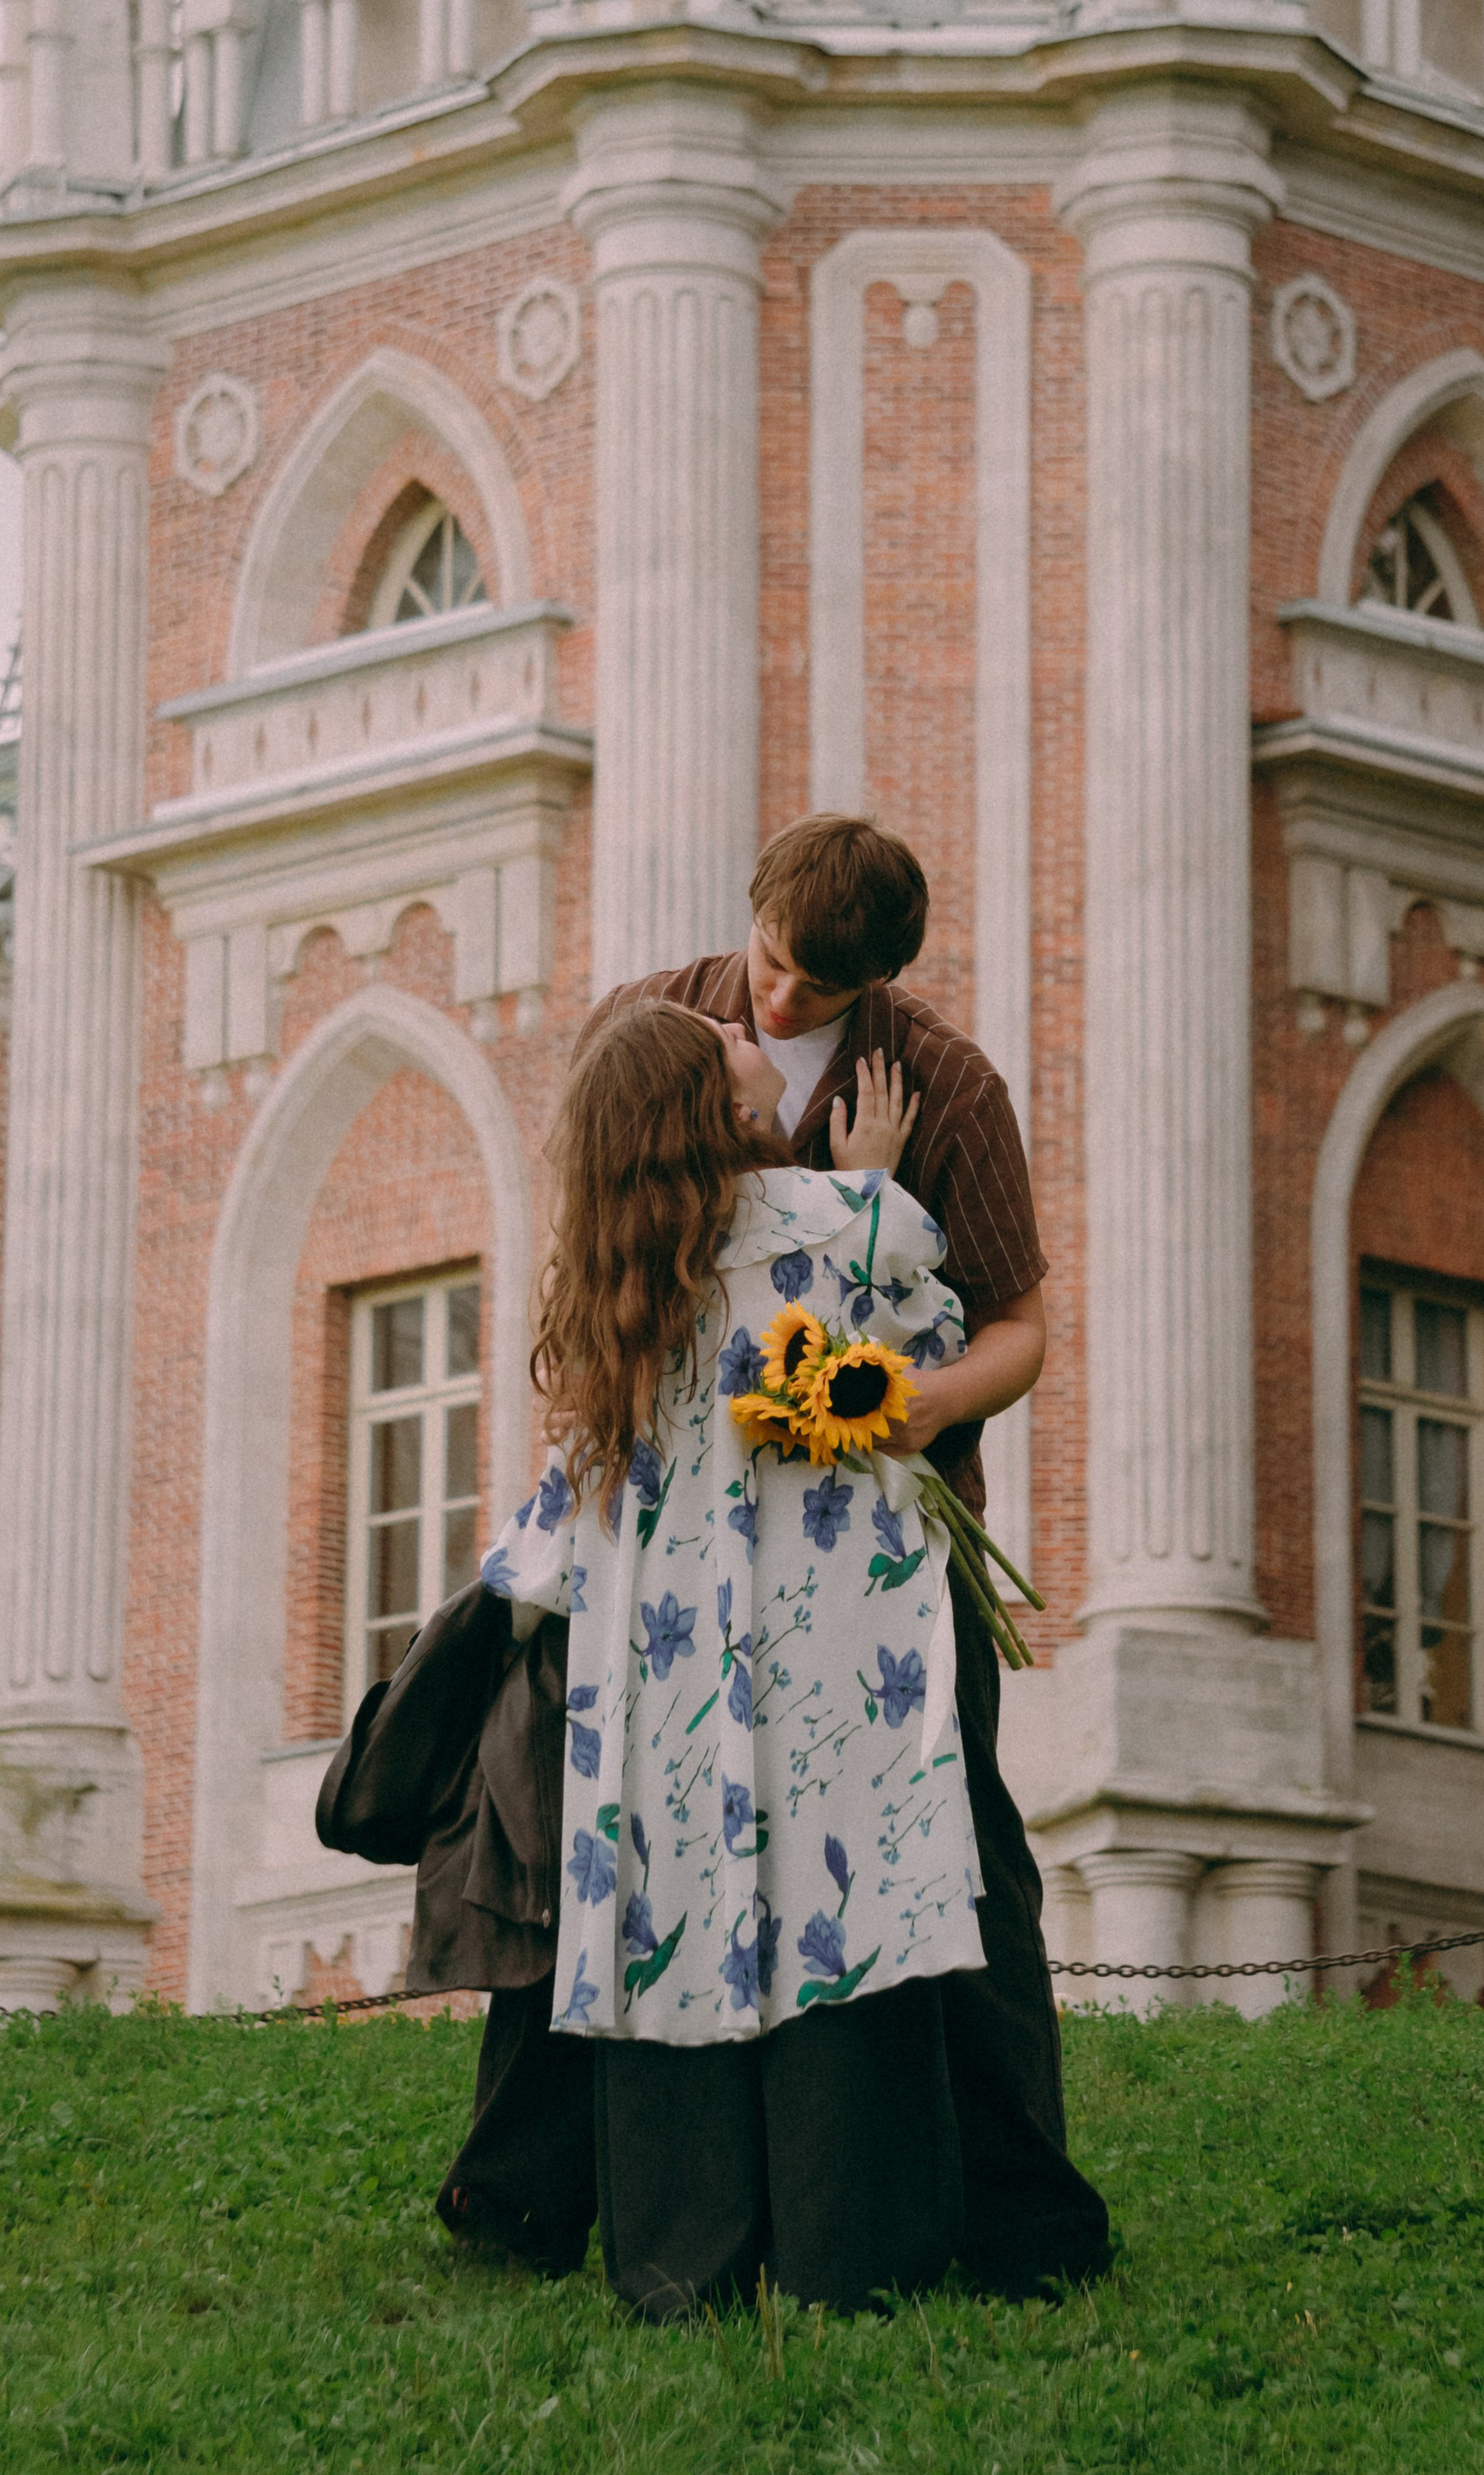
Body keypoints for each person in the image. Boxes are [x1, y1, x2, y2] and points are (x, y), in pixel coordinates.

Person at [438, 815, 1109, 2294]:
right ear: (749, 921)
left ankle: (1015, 2215)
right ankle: (524, 2195)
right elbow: (596, 1261)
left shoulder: (946, 1087)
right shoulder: (650, 1025)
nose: (779, 1006)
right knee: (598, 1856)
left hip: (877, 1562)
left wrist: (903, 1408)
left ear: (877, 981)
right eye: (770, 969)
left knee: (957, 1866)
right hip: (663, 1549)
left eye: (817, 990)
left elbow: (1019, 1327)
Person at [479, 999, 983, 2317]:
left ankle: (678, 2264)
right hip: (830, 1634)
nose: (759, 1039)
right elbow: (926, 1359)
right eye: (735, 1045)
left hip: (660, 1665)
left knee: (673, 1923)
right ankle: (851, 2254)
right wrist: (867, 1185)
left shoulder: (613, 1281)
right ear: (722, 1104)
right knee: (843, 1910)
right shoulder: (834, 1222)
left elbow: (560, 1506)